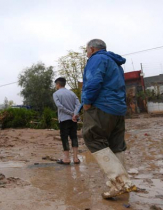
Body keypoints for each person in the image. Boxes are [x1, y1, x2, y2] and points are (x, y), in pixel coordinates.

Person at [74, 39, 137, 199]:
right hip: (118, 109)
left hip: (101, 106)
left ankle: (121, 182)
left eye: (87, 51)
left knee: (93, 137)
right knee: (117, 144)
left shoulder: (96, 59)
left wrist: (87, 102)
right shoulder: (115, 63)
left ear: (92, 49)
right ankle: (116, 185)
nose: (87, 54)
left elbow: (94, 81)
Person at [52, 77, 81, 165]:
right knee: (74, 137)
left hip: (64, 119)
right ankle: (76, 158)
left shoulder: (56, 94)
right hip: (73, 120)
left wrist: (70, 113)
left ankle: (66, 159)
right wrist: (75, 114)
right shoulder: (72, 93)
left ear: (58, 84)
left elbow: (59, 106)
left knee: (64, 138)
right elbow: (78, 104)